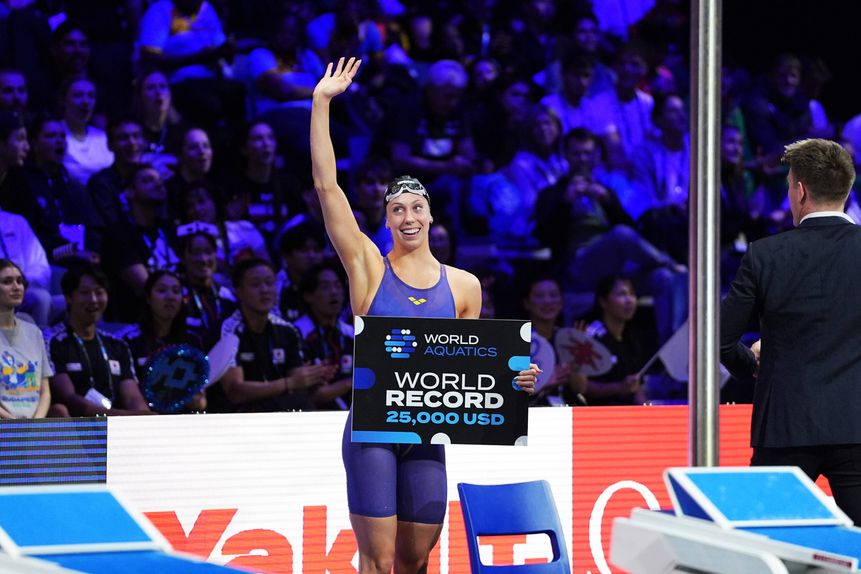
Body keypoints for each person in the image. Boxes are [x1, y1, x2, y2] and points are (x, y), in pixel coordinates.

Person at [311, 57, 537, 574]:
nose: (408, 216)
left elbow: (469, 369)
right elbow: (327, 188)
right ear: (386, 220)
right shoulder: (368, 267)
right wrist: (321, 103)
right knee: (378, 560)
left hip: (426, 436)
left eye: (417, 207)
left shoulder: (464, 286)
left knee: (416, 560)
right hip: (372, 433)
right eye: (397, 209)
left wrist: (515, 378)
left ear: (431, 215)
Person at [720, 138, 861, 524]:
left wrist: (752, 363)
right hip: (855, 424)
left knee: (766, 540)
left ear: (800, 191)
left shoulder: (764, 254)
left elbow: (720, 340)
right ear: (846, 189)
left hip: (785, 427)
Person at [217, 258, 335, 413]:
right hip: (237, 415)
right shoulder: (229, 329)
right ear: (239, 291)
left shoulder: (287, 330)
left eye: (269, 283)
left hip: (279, 411)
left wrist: (313, 377)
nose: (265, 290)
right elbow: (235, 391)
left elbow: (297, 383)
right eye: (255, 284)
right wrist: (288, 383)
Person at [46, 264, 152, 417]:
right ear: (69, 297)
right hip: (76, 425)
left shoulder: (118, 345)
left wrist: (145, 417)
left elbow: (132, 397)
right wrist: (120, 416)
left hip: (117, 424)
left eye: (99, 292)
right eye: (85, 293)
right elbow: (68, 399)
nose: (93, 299)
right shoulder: (53, 342)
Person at [121, 269, 206, 413]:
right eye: (161, 290)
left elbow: (202, 398)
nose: (170, 297)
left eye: (176, 291)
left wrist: (198, 401)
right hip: (144, 419)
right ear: (148, 298)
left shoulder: (193, 341)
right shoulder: (128, 341)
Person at [294, 261, 354, 411]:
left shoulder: (352, 333)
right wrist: (351, 383)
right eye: (325, 287)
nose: (334, 292)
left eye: (338, 286)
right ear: (308, 296)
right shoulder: (296, 333)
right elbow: (310, 396)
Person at [582, 275, 646, 406]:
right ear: (603, 302)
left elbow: (637, 386)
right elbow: (581, 387)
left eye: (632, 294)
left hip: (628, 412)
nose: (629, 300)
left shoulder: (632, 337)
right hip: (596, 411)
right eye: (622, 294)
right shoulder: (590, 337)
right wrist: (619, 387)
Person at [0, 260, 52, 419]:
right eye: (7, 281)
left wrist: (36, 424)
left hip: (33, 426)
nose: (16, 287)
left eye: (20, 281)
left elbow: (45, 391)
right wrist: (14, 423)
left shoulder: (34, 332)